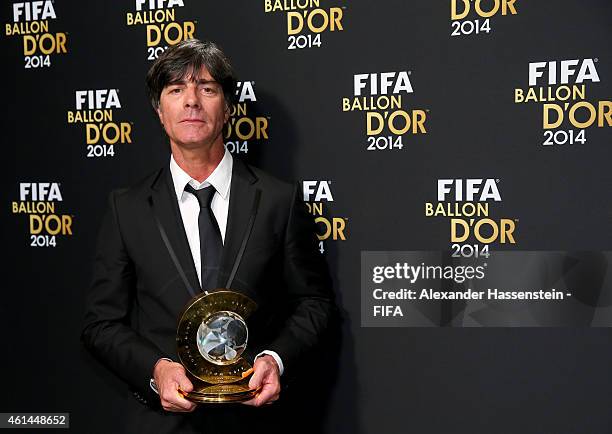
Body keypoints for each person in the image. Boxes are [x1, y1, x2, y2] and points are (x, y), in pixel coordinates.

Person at [81, 39, 335, 433]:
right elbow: (101, 324)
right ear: (159, 111)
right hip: (162, 423)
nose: (192, 101)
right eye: (176, 89)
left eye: (207, 88)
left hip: (256, 421)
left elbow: (314, 302)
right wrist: (156, 370)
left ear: (228, 107)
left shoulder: (278, 200)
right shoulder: (126, 208)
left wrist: (275, 358)